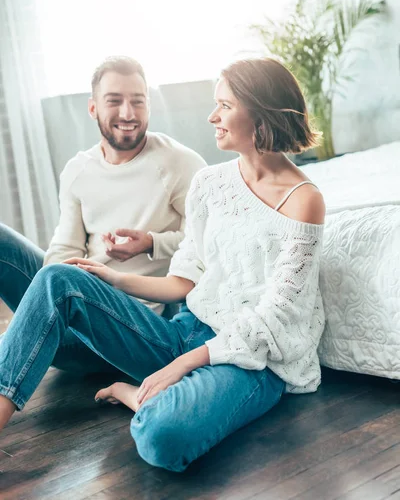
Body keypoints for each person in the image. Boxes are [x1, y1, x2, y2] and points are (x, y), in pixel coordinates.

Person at [0, 58, 326, 472]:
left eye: (223, 106)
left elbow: (279, 317)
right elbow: (183, 282)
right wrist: (111, 279)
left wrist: (182, 364)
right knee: (56, 279)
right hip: (186, 331)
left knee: (162, 438)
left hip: (255, 358)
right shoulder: (212, 184)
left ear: (259, 113)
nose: (212, 117)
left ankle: (137, 396)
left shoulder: (304, 199)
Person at [0, 55, 206, 373]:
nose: (128, 113)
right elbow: (64, 249)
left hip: (130, 330)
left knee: (58, 285)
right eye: (115, 101)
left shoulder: (179, 164)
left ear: (149, 106)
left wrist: (151, 243)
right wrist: (47, 307)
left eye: (138, 102)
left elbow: (209, 246)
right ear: (93, 107)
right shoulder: (77, 170)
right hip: (74, 316)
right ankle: (28, 337)